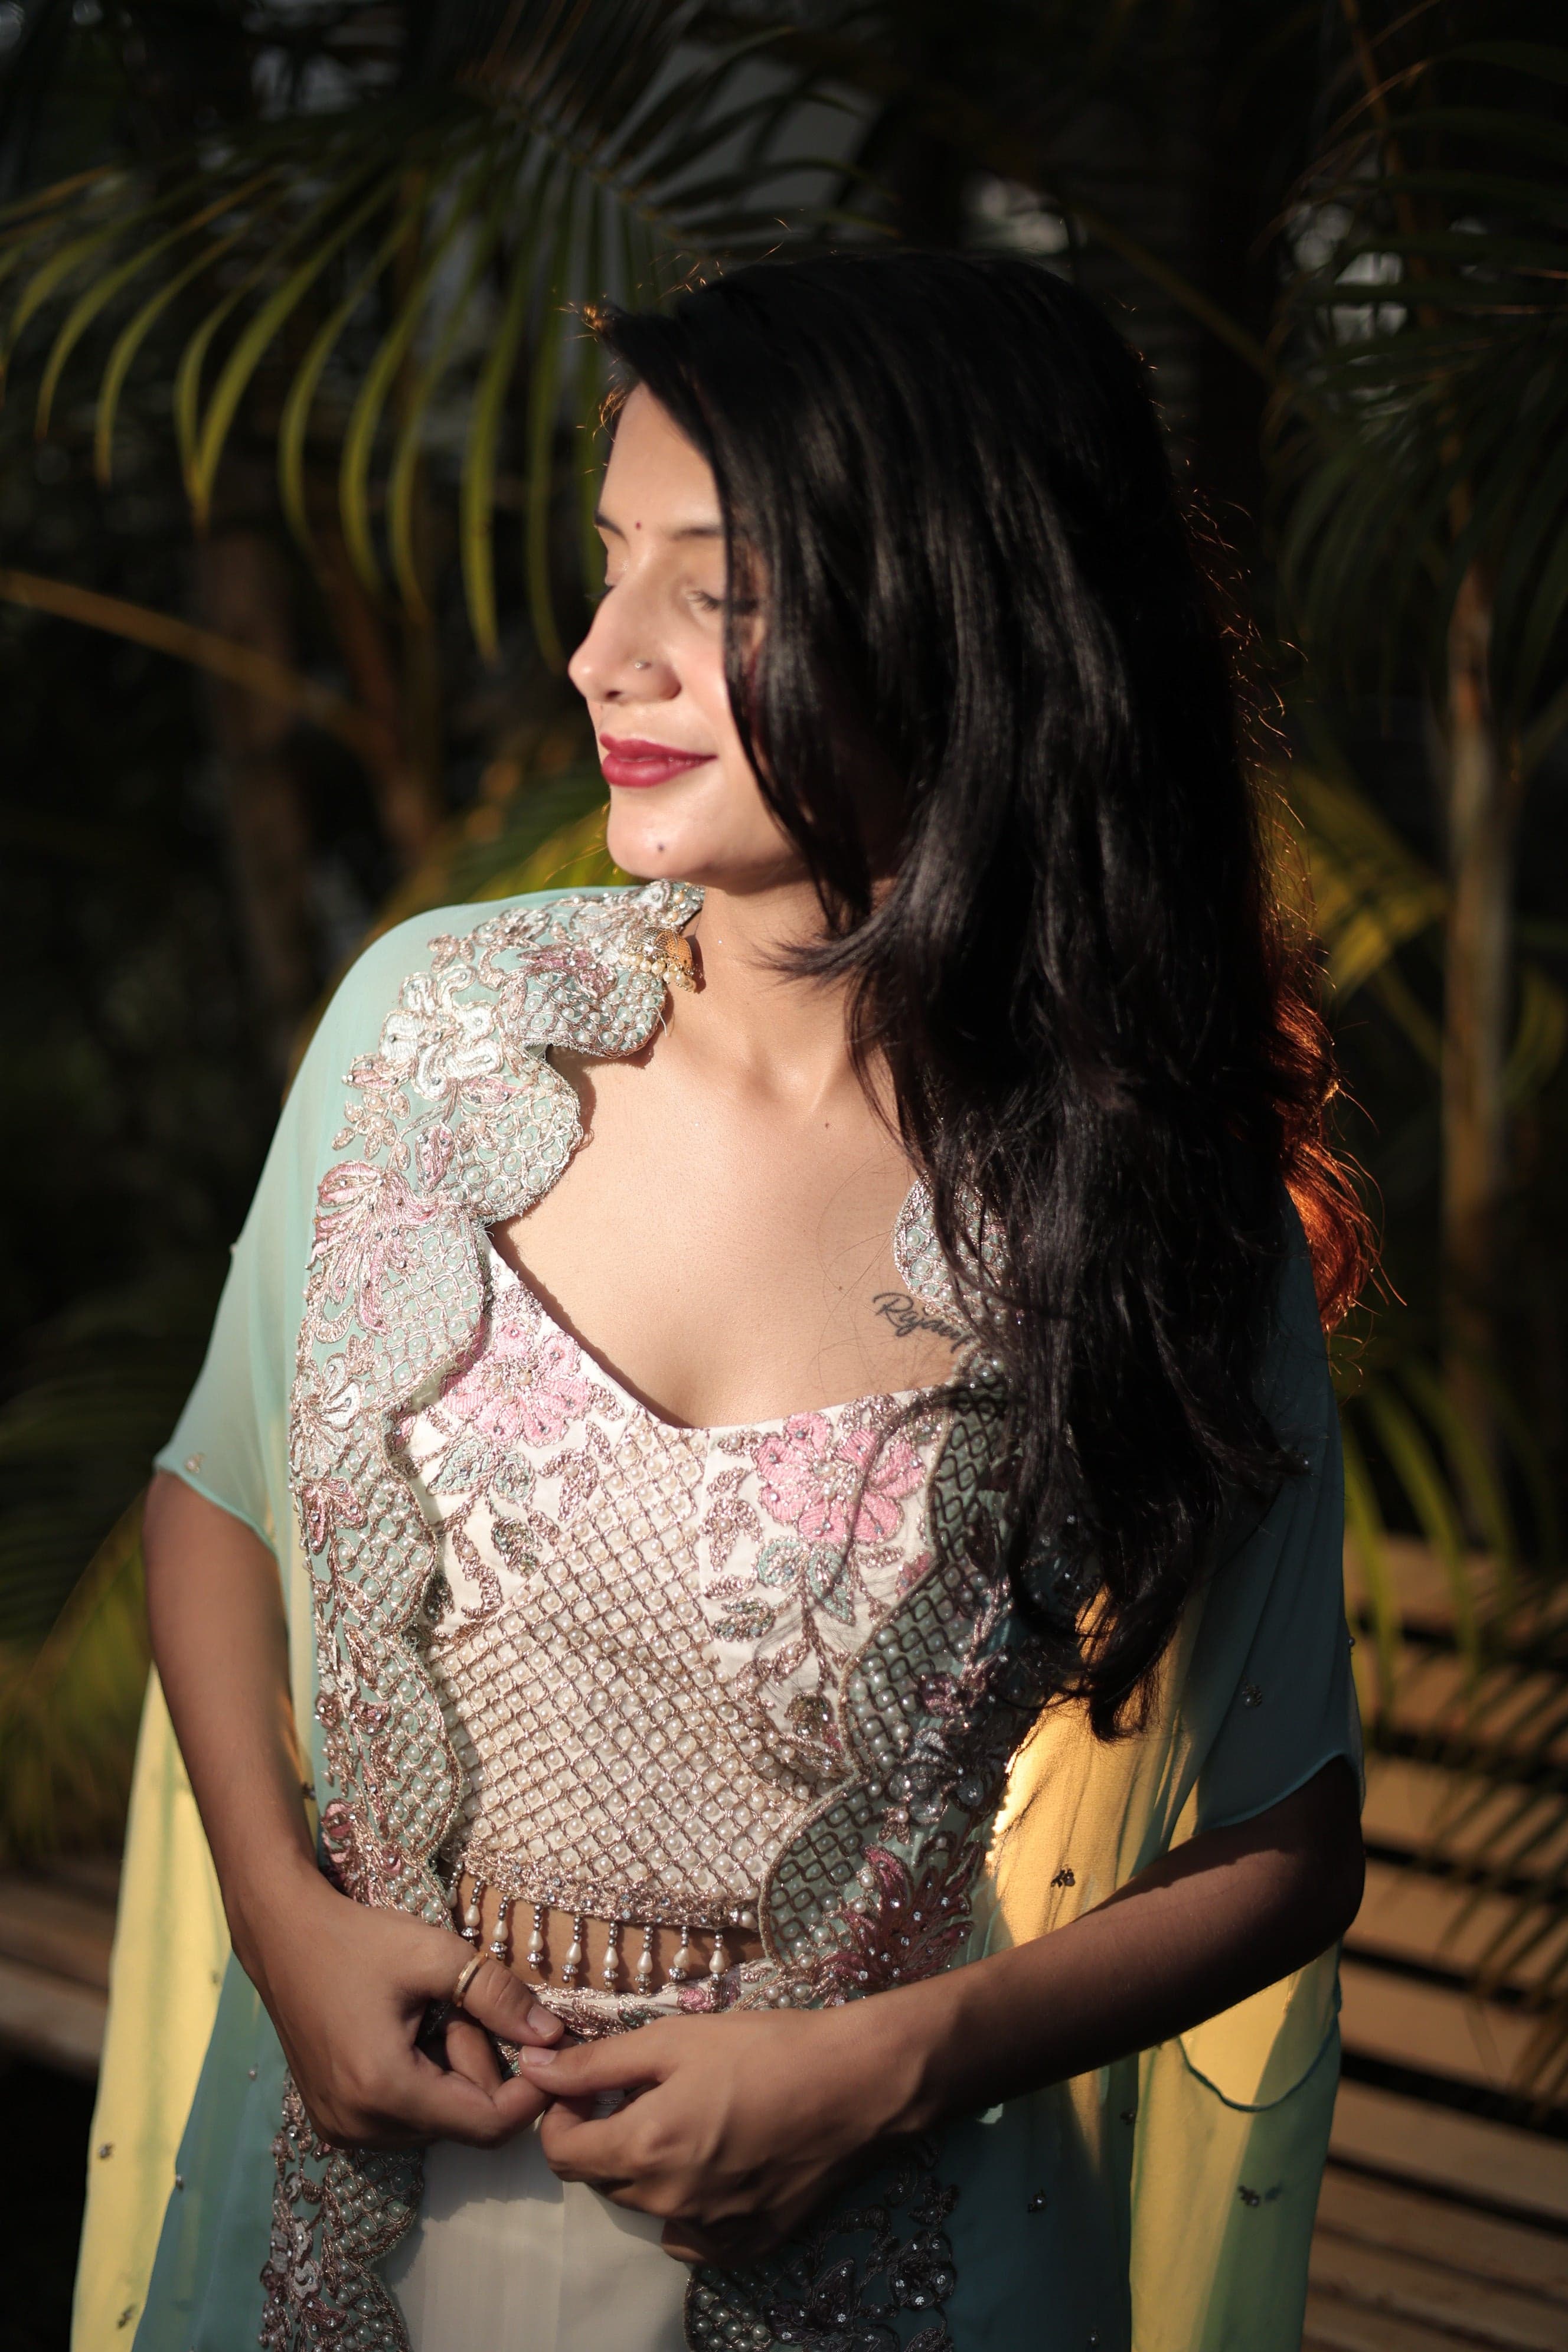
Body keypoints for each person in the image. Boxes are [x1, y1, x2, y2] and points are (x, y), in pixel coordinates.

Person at [100, 250, 1367, 2352]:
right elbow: (209, 1498)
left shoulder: (1150, 1192)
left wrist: (892, 2064)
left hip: (892, 2250)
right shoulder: (422, 1029)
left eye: (725, 586)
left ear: (974, 609)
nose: (607, 656)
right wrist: (280, 1911)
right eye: (612, 570)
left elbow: (1290, 1840)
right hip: (329, 2206)